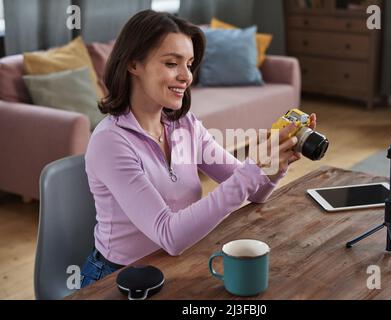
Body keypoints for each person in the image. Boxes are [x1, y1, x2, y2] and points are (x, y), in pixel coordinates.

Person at [80, 9, 317, 288]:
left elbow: (255, 192)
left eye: (190, 64)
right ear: (134, 64)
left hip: (176, 265)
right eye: (172, 63)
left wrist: (274, 161)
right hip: (118, 280)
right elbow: (169, 235)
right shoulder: (111, 141)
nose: (187, 76)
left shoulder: (183, 124)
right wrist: (252, 170)